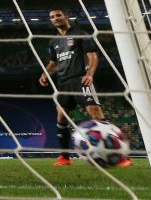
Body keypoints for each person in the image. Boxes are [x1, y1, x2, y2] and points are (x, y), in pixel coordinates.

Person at [39, 9, 132, 167]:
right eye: (52, 17)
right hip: (63, 83)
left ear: (66, 16)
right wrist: (45, 73)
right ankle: (64, 157)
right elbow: (54, 63)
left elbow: (93, 56)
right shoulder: (53, 41)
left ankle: (119, 156)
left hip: (81, 79)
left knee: (95, 113)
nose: (56, 18)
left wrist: (89, 74)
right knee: (61, 118)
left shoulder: (80, 33)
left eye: (58, 15)